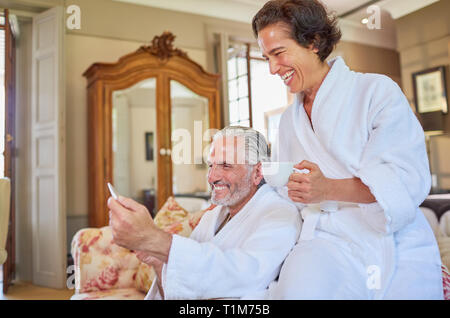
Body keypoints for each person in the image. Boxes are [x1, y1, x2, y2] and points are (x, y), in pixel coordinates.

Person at [244, 0, 443, 299]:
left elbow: (403, 181)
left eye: (279, 53)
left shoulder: (376, 92)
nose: (272, 68)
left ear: (313, 41)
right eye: (266, 58)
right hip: (322, 243)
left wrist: (327, 189)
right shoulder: (289, 121)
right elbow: (284, 193)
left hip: (390, 241)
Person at [107, 126, 301, 300]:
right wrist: (159, 262)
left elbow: (243, 277)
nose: (212, 177)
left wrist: (156, 240)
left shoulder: (279, 214)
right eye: (211, 165)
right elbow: (183, 292)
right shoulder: (213, 215)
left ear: (257, 173)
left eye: (226, 165)